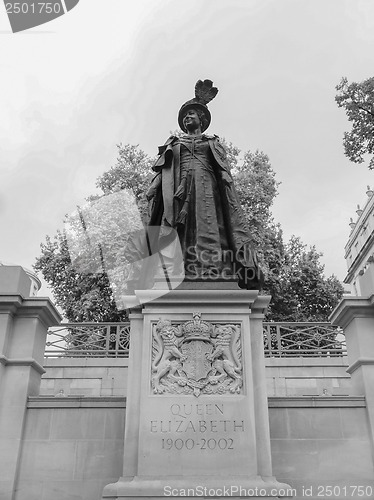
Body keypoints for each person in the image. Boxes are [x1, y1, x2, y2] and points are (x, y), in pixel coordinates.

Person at [145, 79, 261, 290]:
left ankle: (211, 267)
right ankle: (175, 269)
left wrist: (226, 178)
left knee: (207, 224)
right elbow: (165, 168)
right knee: (180, 229)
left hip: (207, 188)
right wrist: (154, 187)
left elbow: (223, 170)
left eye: (192, 114)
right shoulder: (175, 142)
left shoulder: (212, 143)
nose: (188, 117)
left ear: (201, 119)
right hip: (179, 190)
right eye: (185, 115)